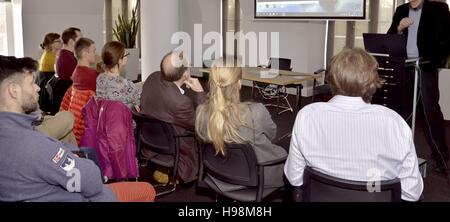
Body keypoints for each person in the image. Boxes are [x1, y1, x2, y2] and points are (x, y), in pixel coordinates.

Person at [0, 55, 155, 202]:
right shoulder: (33, 144)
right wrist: (76, 160)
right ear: (14, 90)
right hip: (82, 197)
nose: (37, 88)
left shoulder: (10, 133)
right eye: (30, 83)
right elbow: (92, 180)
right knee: (147, 190)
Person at [284, 48, 424, 202]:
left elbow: (294, 179)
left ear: (332, 79)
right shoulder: (395, 123)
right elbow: (411, 193)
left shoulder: (307, 116)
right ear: (373, 80)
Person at [387, 0, 450, 172]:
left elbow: (447, 38)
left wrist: (435, 60)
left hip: (425, 65)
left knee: (430, 110)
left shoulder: (439, 8)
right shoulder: (401, 11)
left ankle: (441, 157)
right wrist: (399, 28)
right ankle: (398, 153)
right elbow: (389, 37)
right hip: (404, 66)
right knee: (402, 109)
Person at [196, 57, 287, 191]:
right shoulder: (256, 111)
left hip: (218, 174)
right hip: (257, 177)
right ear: (239, 83)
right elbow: (272, 135)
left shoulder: (201, 112)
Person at [140, 51, 206, 184]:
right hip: (174, 145)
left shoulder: (152, 77)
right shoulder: (181, 103)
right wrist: (200, 93)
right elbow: (201, 125)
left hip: (150, 140)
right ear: (185, 74)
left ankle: (162, 167)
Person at [96, 41, 140, 108]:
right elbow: (139, 101)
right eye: (126, 55)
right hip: (124, 117)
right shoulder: (127, 84)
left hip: (105, 115)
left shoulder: (100, 78)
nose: (127, 57)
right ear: (120, 61)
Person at [36, 33, 62, 107]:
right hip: (47, 84)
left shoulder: (49, 53)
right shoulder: (51, 56)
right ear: (51, 44)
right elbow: (58, 72)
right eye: (58, 41)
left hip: (45, 81)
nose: (61, 42)